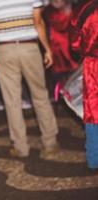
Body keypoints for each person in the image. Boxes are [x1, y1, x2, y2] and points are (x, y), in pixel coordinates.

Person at [0, 0, 59, 157]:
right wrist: (47, 49)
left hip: (5, 49)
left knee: (12, 100)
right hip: (29, 47)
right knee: (40, 95)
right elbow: (38, 22)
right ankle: (50, 142)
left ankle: (21, 147)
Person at [70, 0, 98, 170]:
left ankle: (93, 157)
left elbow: (76, 43)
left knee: (93, 112)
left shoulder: (87, 10)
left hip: (93, 67)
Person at [44, 0, 78, 93]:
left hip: (74, 58)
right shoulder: (45, 13)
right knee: (58, 92)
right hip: (54, 59)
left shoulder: (77, 11)